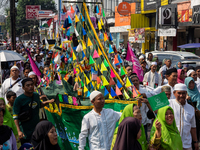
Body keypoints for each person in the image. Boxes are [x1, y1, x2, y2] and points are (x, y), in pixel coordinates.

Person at [13, 78, 54, 144]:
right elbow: (15, 117)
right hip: (25, 132)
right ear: (23, 88)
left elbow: (39, 105)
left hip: (36, 129)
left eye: (32, 85)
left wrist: (48, 102)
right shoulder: (19, 100)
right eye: (28, 85)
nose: (30, 87)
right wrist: (19, 131)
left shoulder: (36, 95)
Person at [169, 83, 198, 150]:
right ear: (174, 93)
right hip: (172, 143)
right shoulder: (169, 103)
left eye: (184, 93)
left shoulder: (191, 108)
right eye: (179, 93)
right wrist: (147, 102)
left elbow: (193, 127)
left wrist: (195, 142)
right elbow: (155, 110)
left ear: (186, 93)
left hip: (187, 144)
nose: (181, 95)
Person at [185, 77, 200, 142]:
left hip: (197, 115)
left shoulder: (197, 92)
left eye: (192, 83)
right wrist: (186, 99)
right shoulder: (185, 93)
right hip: (189, 115)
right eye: (189, 83)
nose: (191, 84)